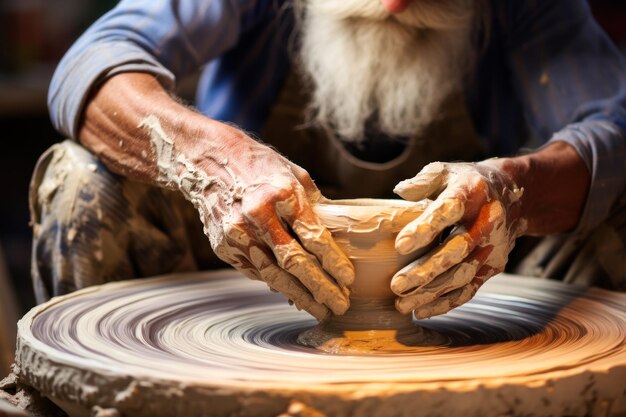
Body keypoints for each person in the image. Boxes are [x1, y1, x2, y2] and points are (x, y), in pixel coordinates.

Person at [30, 0, 626, 321]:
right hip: (249, 286)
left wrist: (512, 191)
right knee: (81, 177)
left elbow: (614, 131)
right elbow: (93, 62)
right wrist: (217, 163)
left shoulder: (527, 9)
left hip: (456, 295)